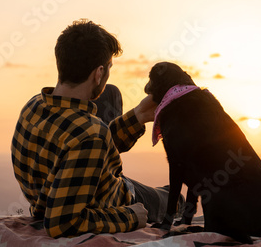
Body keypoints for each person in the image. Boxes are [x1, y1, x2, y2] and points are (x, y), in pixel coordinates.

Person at [11, 19, 181, 238]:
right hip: (111, 197)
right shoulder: (91, 135)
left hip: (60, 179)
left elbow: (83, 140)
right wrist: (131, 216)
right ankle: (174, 201)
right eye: (108, 68)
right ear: (98, 73)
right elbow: (61, 224)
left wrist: (138, 115)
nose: (107, 74)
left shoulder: (33, 104)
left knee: (110, 93)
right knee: (173, 200)